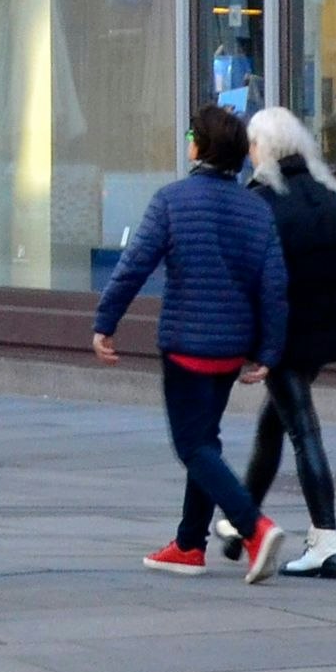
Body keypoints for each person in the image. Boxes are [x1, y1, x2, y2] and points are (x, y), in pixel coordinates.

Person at [95, 104, 293, 583]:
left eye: (190, 134)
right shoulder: (255, 208)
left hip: (186, 346)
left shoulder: (172, 200)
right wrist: (268, 350)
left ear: (200, 147)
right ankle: (188, 543)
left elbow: (134, 265)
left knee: (192, 446)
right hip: (229, 351)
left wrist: (106, 321)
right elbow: (274, 286)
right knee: (205, 441)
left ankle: (253, 527)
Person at [226, 106, 336, 581]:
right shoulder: (327, 194)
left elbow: (256, 280)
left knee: (302, 429)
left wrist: (254, 345)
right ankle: (240, 525)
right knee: (274, 424)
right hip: (323, 333)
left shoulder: (264, 199)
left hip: (283, 334)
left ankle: (326, 541)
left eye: (253, 145)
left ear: (264, 149)